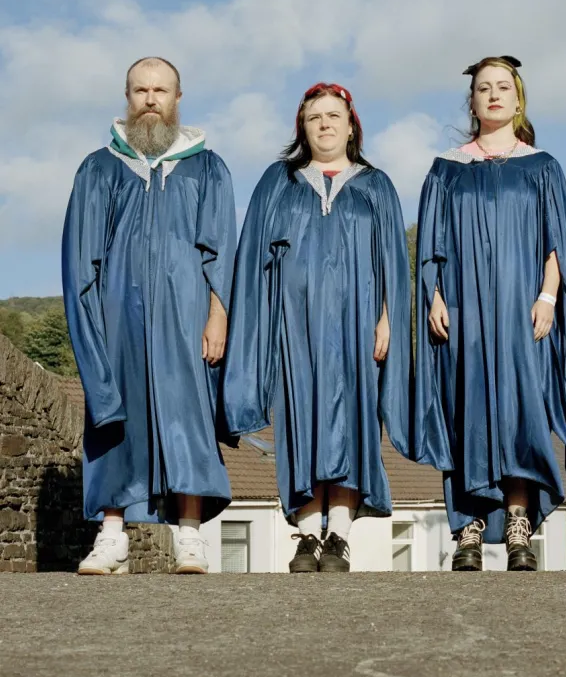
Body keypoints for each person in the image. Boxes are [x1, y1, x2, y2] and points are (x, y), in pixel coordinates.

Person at [413, 56, 566, 571]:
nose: (493, 95)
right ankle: (468, 528)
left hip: (522, 311)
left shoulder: (542, 167)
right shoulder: (447, 168)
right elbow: (430, 243)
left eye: (502, 87)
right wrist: (434, 296)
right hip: (464, 311)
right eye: (483, 88)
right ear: (472, 102)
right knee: (465, 410)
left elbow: (558, 242)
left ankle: (518, 523)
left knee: (521, 412)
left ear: (518, 100)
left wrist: (548, 297)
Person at [224, 83, 410, 573]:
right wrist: (260, 323)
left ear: (351, 127)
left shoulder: (376, 185)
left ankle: (340, 534)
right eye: (314, 117)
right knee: (299, 419)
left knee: (352, 421)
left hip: (357, 324)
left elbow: (394, 260)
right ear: (302, 128)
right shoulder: (278, 182)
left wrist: (388, 318)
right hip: (294, 324)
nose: (325, 124)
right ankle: (308, 534)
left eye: (333, 116)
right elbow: (253, 258)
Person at [62, 57, 236, 576]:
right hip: (118, 315)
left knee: (189, 417)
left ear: (178, 98)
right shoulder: (100, 167)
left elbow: (221, 249)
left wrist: (218, 315)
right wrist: (92, 325)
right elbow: (81, 258)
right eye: (141, 90)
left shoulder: (207, 167)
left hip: (187, 314)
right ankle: (112, 536)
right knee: (114, 415)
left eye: (161, 90)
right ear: (128, 97)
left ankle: (189, 535)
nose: (151, 100)